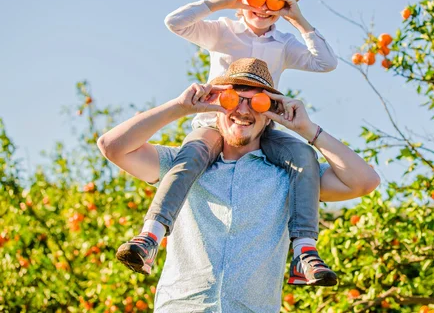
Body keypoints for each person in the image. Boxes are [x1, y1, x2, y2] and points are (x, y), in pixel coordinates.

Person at [114, 0, 340, 286]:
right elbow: (174, 23)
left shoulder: (284, 43)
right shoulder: (223, 31)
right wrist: (222, 3)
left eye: (273, 0)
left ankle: (304, 251)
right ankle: (151, 236)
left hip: (261, 124)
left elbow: (326, 63)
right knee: (190, 157)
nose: (263, 8)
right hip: (214, 122)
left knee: (304, 155)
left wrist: (299, 20)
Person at [97, 58, 380, 312]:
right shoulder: (182, 165)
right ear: (217, 106)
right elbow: (112, 146)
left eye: (256, 102)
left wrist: (308, 130)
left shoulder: (289, 175)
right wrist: (179, 107)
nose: (243, 110)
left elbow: (365, 181)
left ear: (270, 113)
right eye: (234, 99)